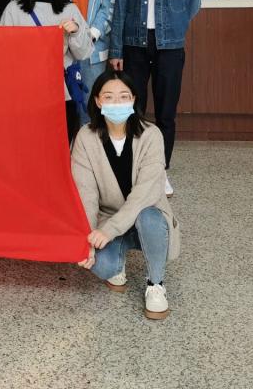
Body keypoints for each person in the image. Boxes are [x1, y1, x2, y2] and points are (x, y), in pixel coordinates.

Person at [71, 68, 179, 320]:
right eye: (108, 97)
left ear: (133, 99)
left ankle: (156, 284)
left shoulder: (151, 135)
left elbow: (145, 194)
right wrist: (86, 242)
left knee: (148, 217)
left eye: (123, 96)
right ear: (98, 101)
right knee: (102, 266)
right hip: (108, 217)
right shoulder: (86, 137)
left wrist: (109, 231)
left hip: (147, 213)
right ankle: (117, 262)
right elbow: (86, 194)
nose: (116, 102)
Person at [109, 0, 200, 196]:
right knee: (132, 109)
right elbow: (120, 9)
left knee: (165, 112)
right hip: (134, 44)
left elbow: (192, 5)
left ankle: (160, 171)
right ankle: (134, 168)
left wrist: (172, 29)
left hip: (169, 46)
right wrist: (116, 50)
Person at [0, 0, 93, 144]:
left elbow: (83, 53)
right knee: (27, 142)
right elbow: (3, 52)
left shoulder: (70, 9)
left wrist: (76, 31)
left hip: (61, 90)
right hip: (25, 91)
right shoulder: (14, 9)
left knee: (60, 143)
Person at [58, 0, 116, 126]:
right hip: (61, 45)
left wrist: (93, 33)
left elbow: (109, 4)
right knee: (62, 103)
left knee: (92, 102)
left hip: (93, 47)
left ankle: (90, 144)